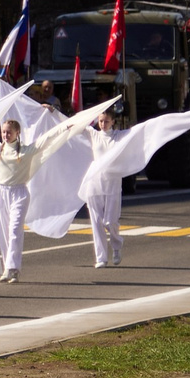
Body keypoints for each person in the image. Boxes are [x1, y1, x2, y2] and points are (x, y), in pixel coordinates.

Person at [0, 117, 42, 283]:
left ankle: (13, 268)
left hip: (19, 193)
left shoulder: (26, 151)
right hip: (2, 193)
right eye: (4, 132)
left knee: (14, 230)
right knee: (3, 233)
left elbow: (48, 139)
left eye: (9, 132)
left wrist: (65, 125)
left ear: (17, 133)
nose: (6, 135)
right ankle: (8, 267)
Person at [80, 109, 127, 267]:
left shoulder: (119, 136)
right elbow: (74, 125)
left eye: (106, 121)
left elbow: (140, 132)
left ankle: (116, 245)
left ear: (113, 121)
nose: (103, 124)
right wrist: (53, 112)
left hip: (112, 183)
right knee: (96, 221)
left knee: (110, 221)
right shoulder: (94, 135)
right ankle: (101, 257)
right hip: (94, 184)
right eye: (100, 121)